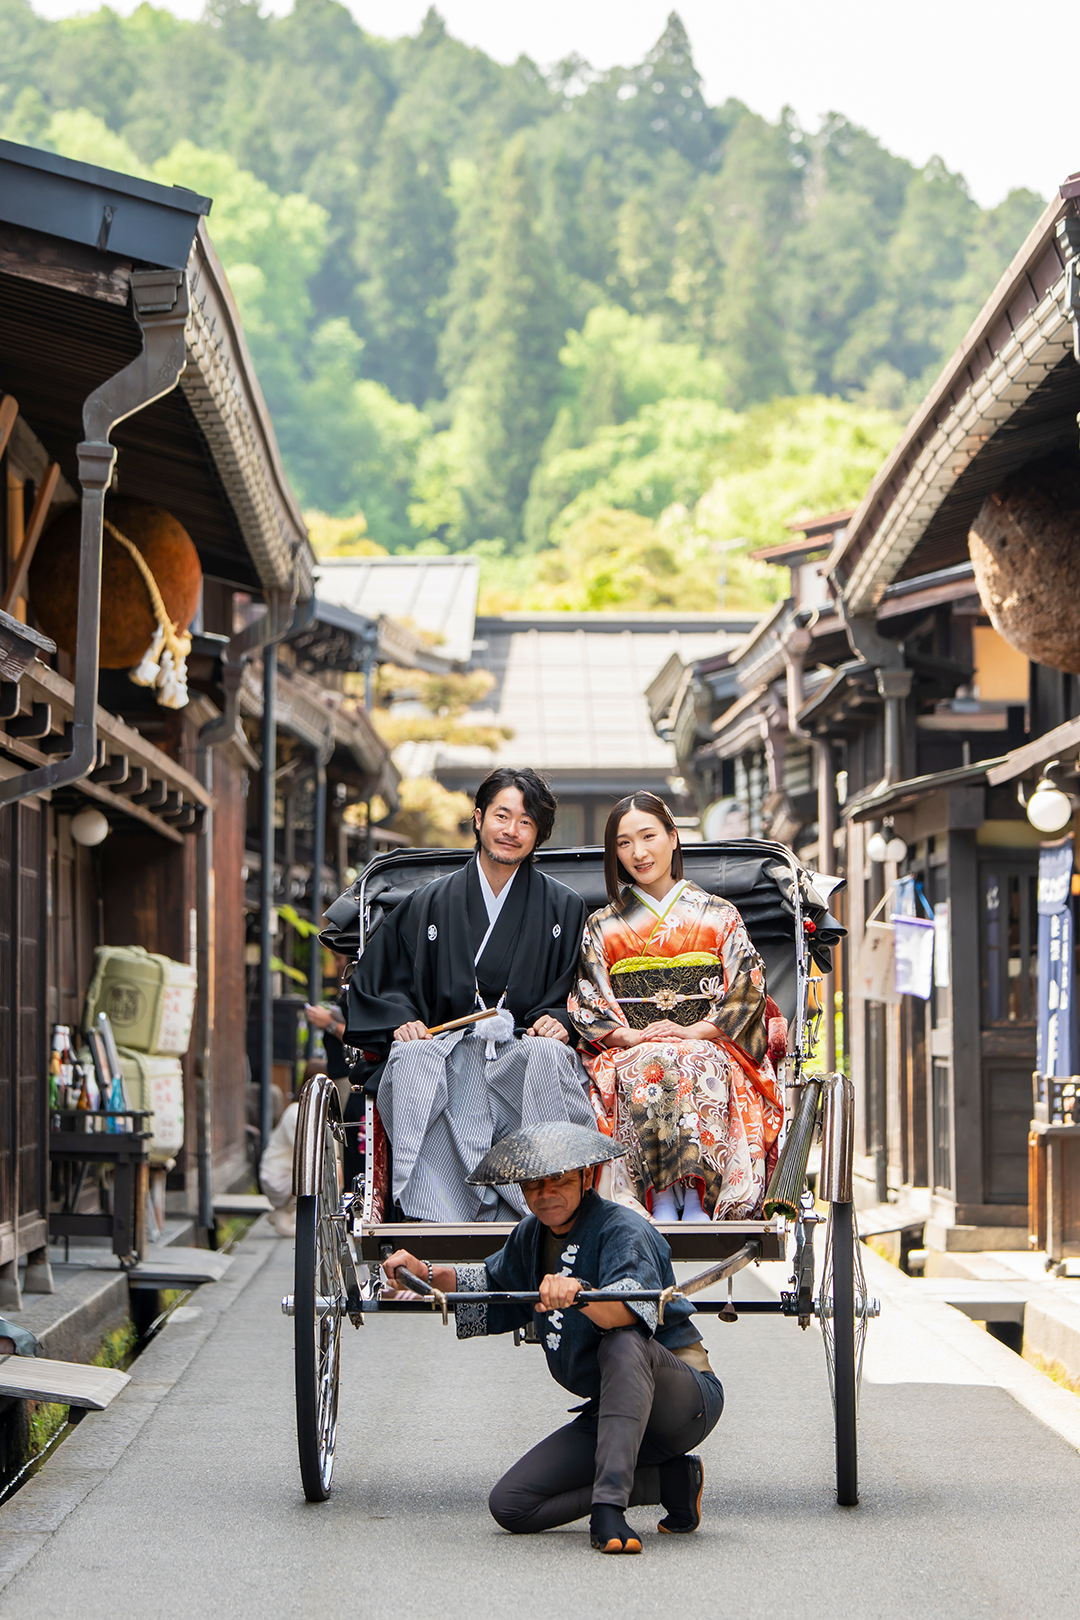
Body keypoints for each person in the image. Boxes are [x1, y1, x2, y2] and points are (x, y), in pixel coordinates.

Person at [382, 1121, 724, 1554]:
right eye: (533, 1185)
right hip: (615, 1412)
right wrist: (424, 1272)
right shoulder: (530, 1235)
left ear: (587, 1177)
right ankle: (671, 1481)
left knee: (621, 1340)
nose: (545, 1194)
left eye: (559, 1181)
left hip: (681, 1402)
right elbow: (489, 1284)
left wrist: (579, 1293)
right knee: (511, 1505)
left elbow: (628, 1314)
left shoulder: (624, 1229)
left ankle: (609, 1509)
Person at [347, 767, 595, 1221]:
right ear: (479, 819)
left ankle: (542, 1203)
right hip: (444, 1045)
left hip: (521, 1047)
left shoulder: (565, 907)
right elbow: (382, 978)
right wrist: (401, 1018)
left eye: (526, 822)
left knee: (548, 1057)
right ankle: (434, 1210)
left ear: (538, 835)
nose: (511, 831)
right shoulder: (429, 901)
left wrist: (560, 1016)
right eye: (503, 816)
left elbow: (583, 987)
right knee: (411, 1061)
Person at [568, 792, 782, 1222]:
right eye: (624, 843)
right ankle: (660, 1195)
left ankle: (701, 1193)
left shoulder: (720, 914)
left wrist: (696, 1031)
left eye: (648, 836)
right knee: (649, 1061)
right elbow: (590, 997)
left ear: (673, 837)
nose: (638, 852)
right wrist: (630, 1035)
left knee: (692, 1058)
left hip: (711, 1041)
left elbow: (747, 987)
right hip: (633, 1043)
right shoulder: (602, 924)